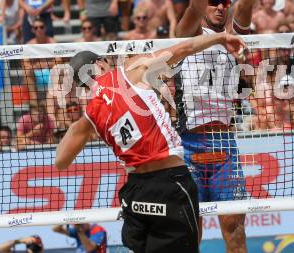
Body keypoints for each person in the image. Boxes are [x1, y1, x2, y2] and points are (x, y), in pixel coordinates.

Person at [55, 32, 247, 253]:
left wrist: (81, 121)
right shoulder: (129, 69)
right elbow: (183, 49)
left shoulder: (89, 116)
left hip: (136, 191)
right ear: (101, 62)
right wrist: (221, 37)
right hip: (170, 183)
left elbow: (60, 162)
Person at [175, 0, 274, 252]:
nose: (219, 6)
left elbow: (245, 6)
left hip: (223, 142)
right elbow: (192, 10)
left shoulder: (234, 38)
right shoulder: (190, 35)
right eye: (213, 2)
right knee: (190, 230)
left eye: (223, 3)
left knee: (235, 228)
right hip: (188, 142)